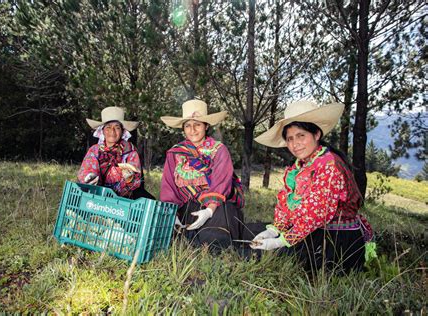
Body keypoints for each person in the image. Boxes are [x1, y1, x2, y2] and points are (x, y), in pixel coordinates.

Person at [252, 100, 374, 273]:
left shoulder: (329, 164)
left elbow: (317, 212)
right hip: (313, 231)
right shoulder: (299, 167)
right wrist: (275, 230)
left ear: (316, 134)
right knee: (258, 242)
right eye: (290, 139)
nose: (295, 144)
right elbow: (287, 203)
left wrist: (282, 240)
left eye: (301, 136)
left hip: (335, 240)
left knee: (272, 257)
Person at [160, 99, 245, 250]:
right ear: (183, 129)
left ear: (206, 126)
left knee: (215, 238)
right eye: (187, 125)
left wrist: (209, 210)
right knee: (170, 234)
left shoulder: (219, 150)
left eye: (197, 124)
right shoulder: (175, 153)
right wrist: (172, 215)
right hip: (187, 206)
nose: (192, 130)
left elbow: (222, 183)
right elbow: (169, 186)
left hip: (216, 205)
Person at [78, 106, 154, 200]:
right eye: (108, 127)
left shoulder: (130, 151)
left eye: (117, 128)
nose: (112, 131)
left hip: (122, 200)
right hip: (96, 197)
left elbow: (135, 181)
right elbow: (87, 169)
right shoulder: (94, 150)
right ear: (102, 131)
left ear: (122, 132)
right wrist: (90, 177)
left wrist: (129, 178)